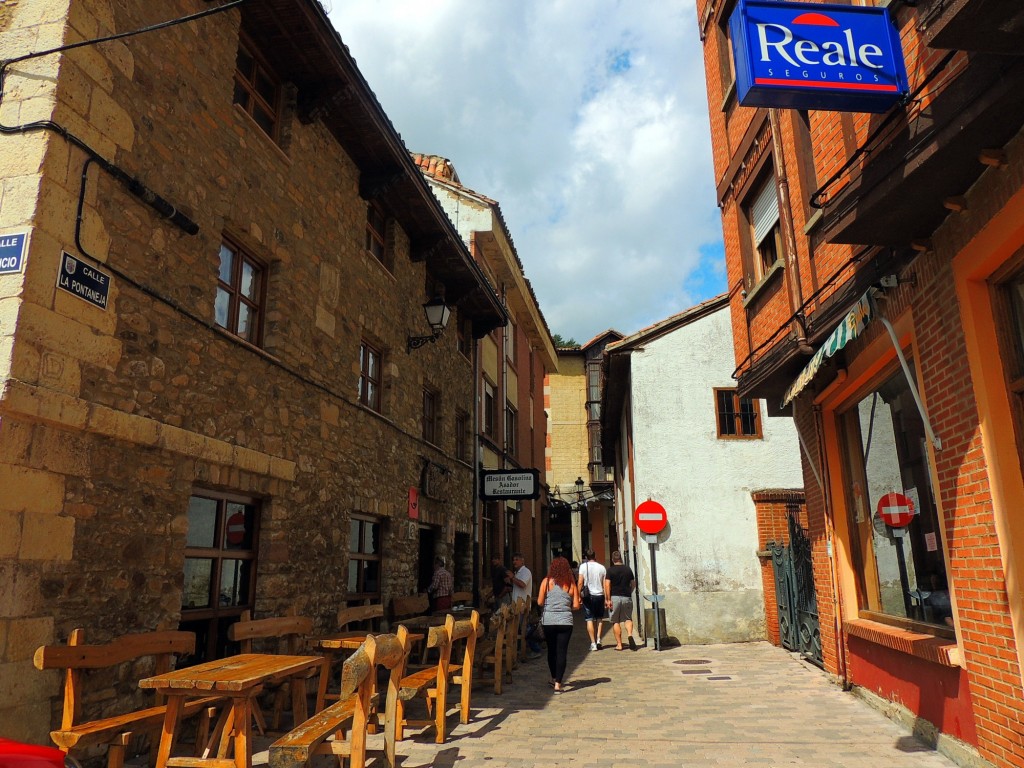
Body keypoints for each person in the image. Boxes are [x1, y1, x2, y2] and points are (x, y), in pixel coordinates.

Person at [537, 556, 581, 692]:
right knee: (562, 651)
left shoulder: (546, 582)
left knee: (552, 651)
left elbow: (539, 602)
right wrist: (566, 605)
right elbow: (576, 605)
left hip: (549, 621)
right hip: (565, 621)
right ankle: (558, 683)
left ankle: (553, 677)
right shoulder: (571, 584)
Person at [604, 550, 637, 650]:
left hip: (614, 597)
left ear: (612, 559)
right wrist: (629, 592)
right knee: (628, 618)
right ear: (621, 558)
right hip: (626, 597)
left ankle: (619, 644)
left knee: (615, 621)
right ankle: (630, 635)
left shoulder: (610, 570)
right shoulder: (628, 569)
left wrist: (608, 599)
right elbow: (633, 584)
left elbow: (607, 585)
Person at [578, 548, 607, 650]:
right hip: (600, 595)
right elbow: (604, 584)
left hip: (588, 596)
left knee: (589, 619)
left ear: (586, 557)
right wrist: (606, 598)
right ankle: (599, 639)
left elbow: (580, 582)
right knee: (599, 618)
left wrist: (578, 596)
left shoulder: (583, 567)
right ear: (595, 556)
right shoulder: (602, 568)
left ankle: (593, 643)